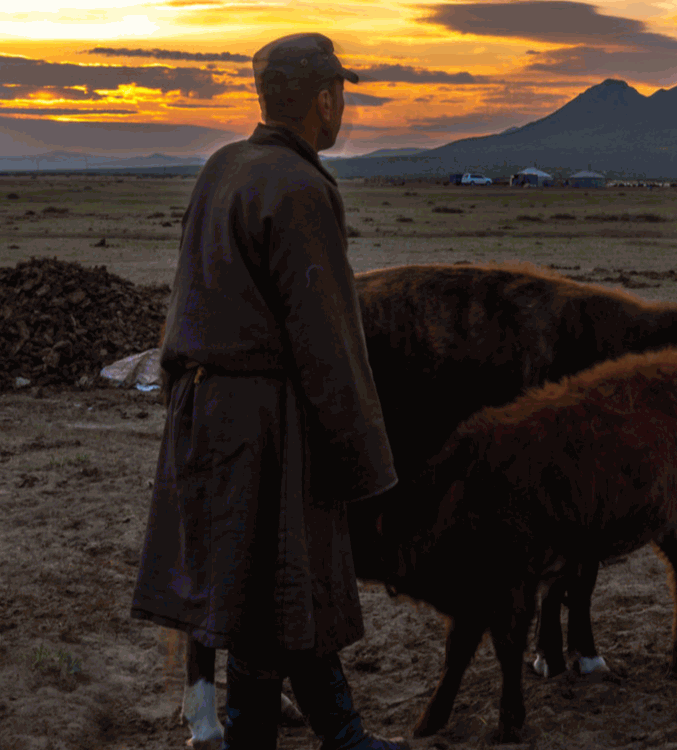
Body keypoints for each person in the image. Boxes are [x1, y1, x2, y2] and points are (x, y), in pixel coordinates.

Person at [130, 32, 403, 750]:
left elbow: (186, 297)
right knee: (275, 591)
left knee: (275, 592)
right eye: (340, 94)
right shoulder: (303, 189)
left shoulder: (222, 167)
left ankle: (344, 735)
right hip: (266, 423)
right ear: (324, 99)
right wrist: (365, 462)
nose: (343, 107)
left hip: (202, 408)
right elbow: (329, 342)